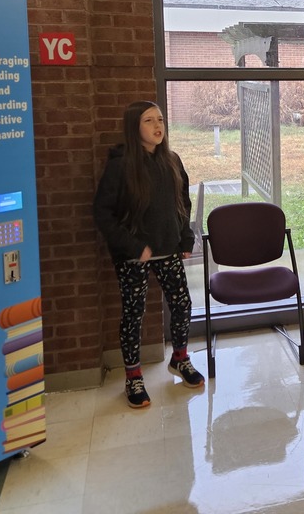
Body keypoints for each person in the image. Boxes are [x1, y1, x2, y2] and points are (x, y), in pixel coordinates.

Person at [93, 100, 204, 408]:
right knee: (133, 314)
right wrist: (133, 246)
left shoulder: (171, 160)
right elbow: (102, 213)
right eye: (148, 121)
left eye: (160, 120)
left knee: (182, 304)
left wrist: (184, 238)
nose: (158, 126)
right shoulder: (120, 165)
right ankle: (133, 376)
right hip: (133, 256)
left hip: (169, 250)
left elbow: (183, 202)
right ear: (134, 127)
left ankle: (179, 358)